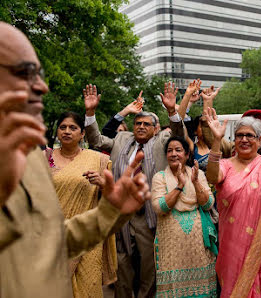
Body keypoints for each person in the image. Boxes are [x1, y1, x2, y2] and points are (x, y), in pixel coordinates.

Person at [0, 22, 151, 297]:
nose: (41, 88)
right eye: (24, 74)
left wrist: (110, 211)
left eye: (39, 75)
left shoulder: (32, 159)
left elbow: (52, 241)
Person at [83, 82, 186, 298]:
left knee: (149, 268)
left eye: (146, 124)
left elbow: (179, 134)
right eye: (137, 123)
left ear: (155, 128)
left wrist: (171, 111)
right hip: (119, 215)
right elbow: (95, 139)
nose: (140, 127)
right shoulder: (122, 139)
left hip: (147, 216)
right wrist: (91, 112)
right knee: (121, 267)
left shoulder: (162, 141)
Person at [205, 107, 261, 297]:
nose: (244, 140)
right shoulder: (226, 165)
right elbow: (213, 177)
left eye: (250, 135)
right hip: (232, 244)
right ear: (234, 139)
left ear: (260, 139)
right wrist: (216, 140)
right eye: (239, 135)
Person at [44, 111, 117, 297]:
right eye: (62, 127)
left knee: (88, 285)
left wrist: (102, 184)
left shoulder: (98, 160)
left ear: (82, 133)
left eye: (73, 128)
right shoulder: (45, 158)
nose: (67, 131)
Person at [151, 136, 218, 297]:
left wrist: (194, 182)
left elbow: (208, 204)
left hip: (199, 247)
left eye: (178, 150)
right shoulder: (159, 177)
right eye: (169, 151)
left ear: (187, 155)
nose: (173, 154)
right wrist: (180, 186)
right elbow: (159, 207)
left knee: (202, 288)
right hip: (171, 247)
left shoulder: (198, 174)